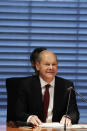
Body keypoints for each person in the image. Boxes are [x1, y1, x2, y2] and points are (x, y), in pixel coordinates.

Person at [15, 50, 79, 126]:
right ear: (38, 66)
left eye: (54, 64)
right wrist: (29, 117)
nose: (51, 67)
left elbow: (74, 112)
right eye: (47, 64)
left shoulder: (67, 85)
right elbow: (18, 112)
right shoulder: (26, 85)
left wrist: (68, 117)